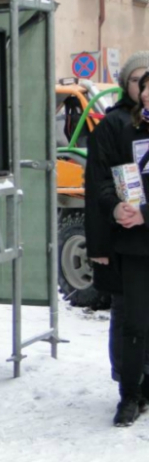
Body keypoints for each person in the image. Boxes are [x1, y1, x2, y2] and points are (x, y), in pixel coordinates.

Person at [85, 52, 149, 414]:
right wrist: (111, 220)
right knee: (129, 315)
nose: (143, 89)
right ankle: (129, 385)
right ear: (126, 84)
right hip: (126, 235)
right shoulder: (113, 126)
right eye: (137, 80)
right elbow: (98, 183)